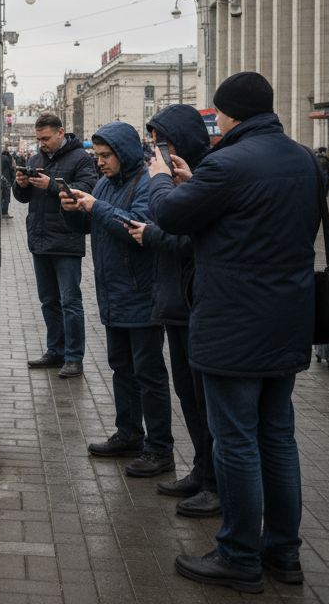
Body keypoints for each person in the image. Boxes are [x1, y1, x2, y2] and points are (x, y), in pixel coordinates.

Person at [147, 72, 317, 593]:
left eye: (217, 112)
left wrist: (159, 178)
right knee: (278, 439)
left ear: (231, 113)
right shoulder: (303, 159)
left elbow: (169, 216)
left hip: (232, 325)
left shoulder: (228, 163)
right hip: (286, 321)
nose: (215, 120)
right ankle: (283, 553)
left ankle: (239, 555)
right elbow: (245, 221)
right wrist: (193, 181)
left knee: (236, 442)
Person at [61, 122, 172, 477]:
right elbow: (90, 226)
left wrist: (96, 208)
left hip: (142, 295)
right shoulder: (106, 184)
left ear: (123, 153)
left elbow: (135, 228)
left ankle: (159, 448)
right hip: (114, 295)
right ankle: (129, 434)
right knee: (121, 369)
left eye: (106, 156)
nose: (100, 163)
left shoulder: (146, 184)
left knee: (149, 375)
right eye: (96, 156)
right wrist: (73, 210)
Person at [130, 105, 220, 517]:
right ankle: (202, 471)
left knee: (208, 402)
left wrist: (151, 233)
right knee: (188, 395)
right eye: (152, 142)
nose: (155, 150)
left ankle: (215, 482)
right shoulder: (171, 175)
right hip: (173, 301)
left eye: (160, 141)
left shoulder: (207, 176)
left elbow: (188, 239)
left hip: (197, 303)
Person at [13, 113, 98, 378]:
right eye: (38, 139)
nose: (42, 144)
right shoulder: (37, 159)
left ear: (61, 133)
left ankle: (74, 357)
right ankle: (55, 351)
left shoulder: (81, 159)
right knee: (48, 301)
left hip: (66, 241)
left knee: (70, 302)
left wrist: (51, 185)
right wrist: (21, 185)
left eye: (46, 138)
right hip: (40, 241)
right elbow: (25, 198)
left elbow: (86, 190)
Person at [0, 148, 16, 217]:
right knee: (6, 196)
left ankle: (0, 211)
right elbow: (11, 169)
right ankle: (4, 212)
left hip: (0, 179)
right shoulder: (7, 159)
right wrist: (12, 180)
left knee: (0, 196)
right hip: (7, 179)